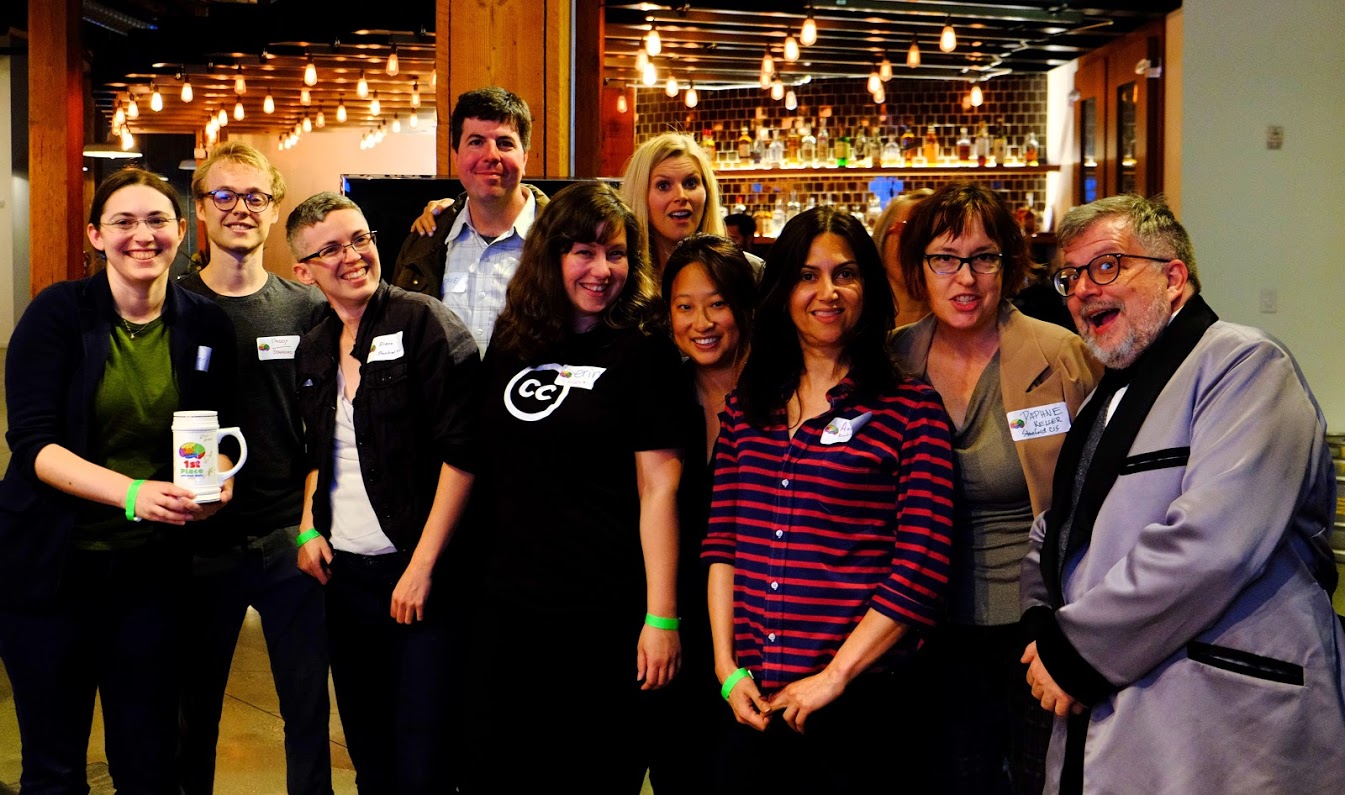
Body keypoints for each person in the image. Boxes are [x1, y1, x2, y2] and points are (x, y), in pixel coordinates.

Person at [1020, 194, 1345, 794]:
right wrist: (1042, 617)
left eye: (1106, 266)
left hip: (1224, 710)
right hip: (1124, 697)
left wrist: (1072, 649)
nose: (1083, 290)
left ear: (1173, 279)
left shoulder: (1245, 364)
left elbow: (1212, 544)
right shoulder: (1108, 395)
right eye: (1070, 277)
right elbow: (1059, 524)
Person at [0, 167, 238, 793]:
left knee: (148, 761)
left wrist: (217, 481)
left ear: (182, 231)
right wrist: (132, 494)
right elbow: (34, 445)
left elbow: (218, 430)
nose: (142, 235)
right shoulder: (57, 312)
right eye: (123, 222)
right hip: (52, 571)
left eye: (157, 220)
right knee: (53, 766)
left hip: (150, 573)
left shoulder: (207, 324)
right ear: (96, 236)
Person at [704, 205, 956, 794]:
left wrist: (835, 677)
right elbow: (723, 544)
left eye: (845, 274)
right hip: (751, 702)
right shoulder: (747, 407)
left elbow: (921, 567)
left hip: (861, 707)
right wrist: (725, 669)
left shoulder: (910, 408)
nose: (828, 292)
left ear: (868, 287)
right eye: (807, 276)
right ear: (781, 291)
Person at [465, 181, 685, 793]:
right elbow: (483, 461)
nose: (601, 270)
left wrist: (662, 617)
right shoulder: (514, 337)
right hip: (509, 609)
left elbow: (659, 489)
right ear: (550, 256)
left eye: (615, 254)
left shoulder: (645, 346)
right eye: (583, 252)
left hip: (603, 613)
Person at [888, 181, 1101, 794]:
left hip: (1037, 628)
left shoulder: (1063, 356)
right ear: (919, 268)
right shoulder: (893, 361)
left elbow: (1104, 495)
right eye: (945, 259)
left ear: (1008, 265)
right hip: (923, 628)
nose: (966, 278)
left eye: (984, 258)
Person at [288, 192, 480, 793]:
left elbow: (464, 454)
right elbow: (318, 450)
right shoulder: (314, 345)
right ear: (304, 272)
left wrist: (422, 568)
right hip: (346, 580)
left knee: (425, 763)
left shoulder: (425, 323)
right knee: (370, 758)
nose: (352, 256)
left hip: (423, 579)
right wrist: (307, 526)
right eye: (330, 249)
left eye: (360, 239)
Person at [177, 142, 333, 795]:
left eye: (255, 197)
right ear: (200, 209)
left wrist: (310, 525)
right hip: (196, 544)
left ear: (273, 212)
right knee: (191, 719)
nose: (239, 208)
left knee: (308, 713)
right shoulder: (172, 306)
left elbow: (327, 428)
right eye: (223, 195)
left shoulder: (306, 308)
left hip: (288, 541)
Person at [651, 233, 757, 793]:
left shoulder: (782, 396)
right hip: (675, 625)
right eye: (685, 307)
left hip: (764, 628)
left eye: (717, 304)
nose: (701, 323)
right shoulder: (660, 393)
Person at [390, 86, 548, 354]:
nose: (491, 155)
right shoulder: (423, 244)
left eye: (505, 143)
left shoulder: (563, 239)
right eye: (476, 142)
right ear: (456, 156)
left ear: (524, 157)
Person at [618, 132, 756, 277]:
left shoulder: (748, 272)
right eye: (663, 186)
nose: (681, 196)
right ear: (640, 195)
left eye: (690, 183)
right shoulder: (618, 278)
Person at [871, 187, 932, 327]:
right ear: (882, 239)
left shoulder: (959, 327)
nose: (922, 241)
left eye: (934, 233)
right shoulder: (855, 324)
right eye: (910, 229)